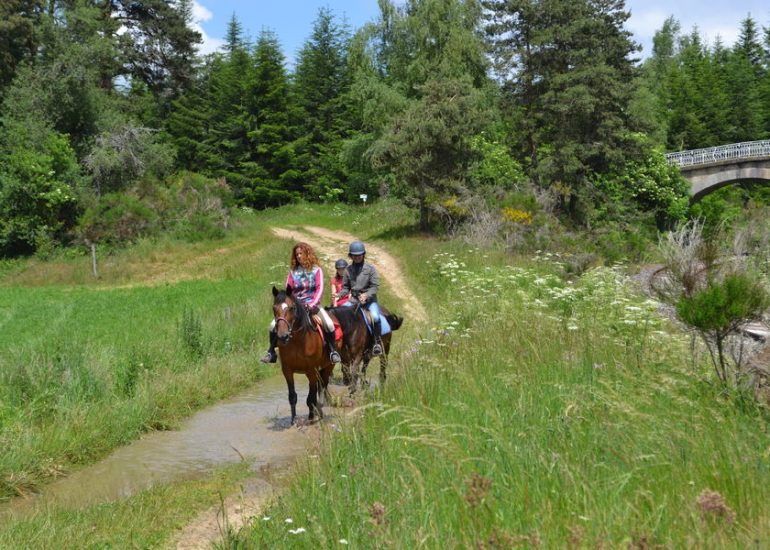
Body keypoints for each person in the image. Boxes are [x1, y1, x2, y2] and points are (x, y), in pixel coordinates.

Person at [261, 242, 341, 364]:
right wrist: (290, 304)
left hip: (312, 305)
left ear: (307, 254)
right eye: (296, 254)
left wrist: (312, 304)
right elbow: (289, 292)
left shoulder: (316, 270)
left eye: (301, 253)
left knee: (329, 324)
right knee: (273, 326)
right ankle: (271, 352)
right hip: (295, 306)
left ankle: (332, 351)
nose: (298, 256)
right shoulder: (293, 272)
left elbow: (319, 289)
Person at [337, 240, 384, 356]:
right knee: (340, 314)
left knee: (376, 317)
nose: (357, 257)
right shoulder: (348, 270)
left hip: (369, 301)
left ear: (363, 254)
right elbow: (346, 287)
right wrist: (340, 295)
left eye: (359, 255)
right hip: (354, 300)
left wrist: (366, 295)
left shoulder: (371, 269)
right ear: (351, 256)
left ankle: (376, 343)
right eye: (354, 255)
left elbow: (375, 287)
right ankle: (340, 344)